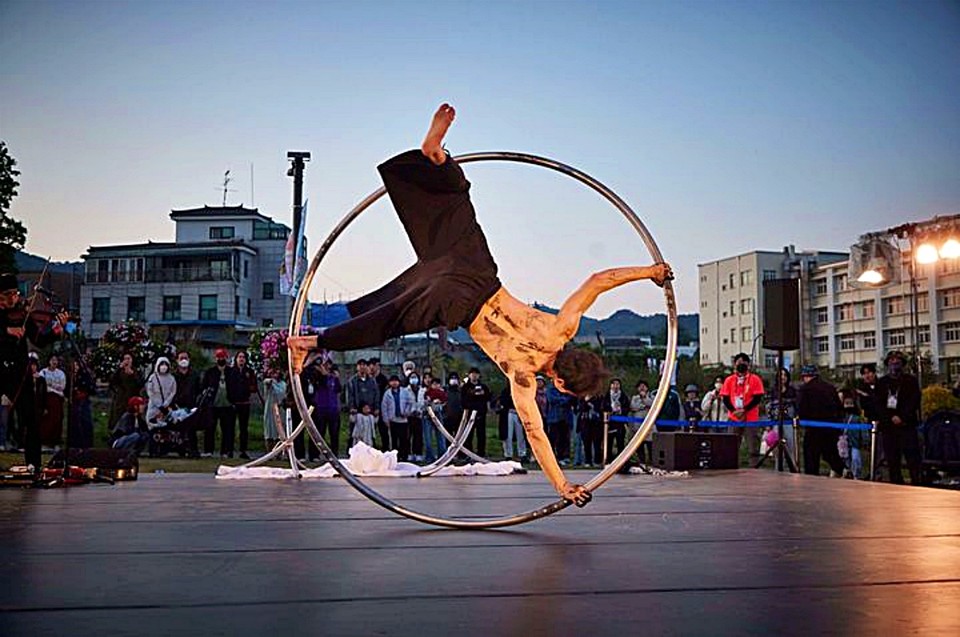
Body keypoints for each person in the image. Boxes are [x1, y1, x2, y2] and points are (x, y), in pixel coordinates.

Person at [288, 104, 672, 505]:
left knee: (456, 210)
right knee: (387, 320)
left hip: (475, 274)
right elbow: (535, 433)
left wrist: (649, 271)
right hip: (456, 306)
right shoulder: (522, 377)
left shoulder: (561, 329)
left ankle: (437, 159)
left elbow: (597, 282)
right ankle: (309, 344)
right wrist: (562, 486)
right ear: (560, 383)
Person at [876, 351, 922, 485]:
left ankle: (917, 485)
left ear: (902, 364)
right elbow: (878, 404)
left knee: (913, 460)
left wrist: (902, 416)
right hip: (889, 428)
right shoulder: (882, 383)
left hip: (907, 426)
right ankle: (896, 485)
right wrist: (889, 418)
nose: (894, 364)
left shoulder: (910, 381)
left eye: (897, 361)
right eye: (891, 361)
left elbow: (914, 401)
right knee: (892, 461)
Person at [796, 364, 846, 477]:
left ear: (805, 376)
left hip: (813, 429)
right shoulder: (830, 387)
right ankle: (843, 470)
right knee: (830, 453)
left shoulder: (805, 389)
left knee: (811, 458)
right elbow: (839, 408)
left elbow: (801, 409)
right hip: (831, 428)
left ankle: (811, 482)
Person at [720, 353, 765, 463]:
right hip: (734, 418)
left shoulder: (755, 379)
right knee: (731, 446)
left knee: (753, 446)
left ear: (748, 364)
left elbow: (757, 398)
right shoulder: (729, 380)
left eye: (744, 363)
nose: (741, 365)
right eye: (738, 363)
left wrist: (744, 410)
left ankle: (754, 469)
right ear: (735, 364)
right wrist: (734, 411)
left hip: (751, 418)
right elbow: (725, 398)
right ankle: (730, 467)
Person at [202, 348, 236, 459]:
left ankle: (225, 452)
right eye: (218, 357)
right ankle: (208, 451)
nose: (220, 359)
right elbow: (204, 387)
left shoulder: (232, 372)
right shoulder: (210, 372)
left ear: (226, 358)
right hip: (213, 405)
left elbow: (237, 386)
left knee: (227, 430)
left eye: (222, 357)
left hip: (227, 405)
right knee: (210, 428)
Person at [172, 350, 203, 455]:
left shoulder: (195, 375)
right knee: (179, 429)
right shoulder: (173, 375)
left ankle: (193, 450)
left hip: (191, 405)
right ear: (177, 360)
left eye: (185, 358)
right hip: (177, 406)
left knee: (192, 429)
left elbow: (199, 390)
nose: (183, 360)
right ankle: (180, 449)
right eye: (181, 358)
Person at [380, 374, 416, 460]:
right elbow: (384, 407)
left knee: (404, 439)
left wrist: (407, 412)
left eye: (396, 381)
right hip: (393, 420)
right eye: (392, 381)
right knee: (394, 439)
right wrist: (386, 419)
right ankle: (395, 457)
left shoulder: (405, 392)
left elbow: (411, 402)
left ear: (399, 382)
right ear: (389, 383)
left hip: (403, 420)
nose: (394, 383)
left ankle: (404, 456)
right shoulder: (387, 393)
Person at [231, 350, 258, 460]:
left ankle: (243, 450)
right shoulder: (231, 371)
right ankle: (229, 450)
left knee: (244, 428)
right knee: (231, 428)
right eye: (239, 357)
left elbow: (254, 386)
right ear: (236, 359)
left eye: (243, 357)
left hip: (245, 403)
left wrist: (248, 389)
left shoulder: (250, 372)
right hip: (233, 403)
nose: (241, 359)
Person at [461, 367, 493, 459]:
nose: (474, 375)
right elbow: (463, 400)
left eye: (476, 374)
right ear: (469, 375)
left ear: (479, 375)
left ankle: (481, 453)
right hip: (470, 413)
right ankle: (468, 453)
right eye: (472, 373)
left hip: (481, 414)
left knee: (481, 434)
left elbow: (488, 398)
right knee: (468, 434)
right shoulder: (465, 387)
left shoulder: (483, 387)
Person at [313, 359, 342, 457]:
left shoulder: (333, 378)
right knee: (320, 432)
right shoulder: (319, 377)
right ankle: (316, 454)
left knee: (334, 433)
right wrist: (323, 374)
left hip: (333, 409)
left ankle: (334, 454)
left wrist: (336, 377)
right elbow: (320, 384)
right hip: (321, 408)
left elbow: (339, 389)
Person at [67, 358, 96, 449]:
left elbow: (91, 388)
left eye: (76, 365)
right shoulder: (70, 377)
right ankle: (74, 443)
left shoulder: (84, 375)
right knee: (74, 423)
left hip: (83, 401)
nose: (75, 367)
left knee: (85, 422)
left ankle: (86, 444)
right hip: (74, 401)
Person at [108, 352, 144, 428]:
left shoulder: (136, 371)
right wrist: (118, 369)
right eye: (125, 359)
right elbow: (112, 381)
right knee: (119, 415)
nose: (127, 361)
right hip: (121, 398)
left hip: (132, 396)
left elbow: (140, 384)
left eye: (128, 359)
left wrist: (133, 374)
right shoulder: (119, 371)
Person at [38, 354, 66, 449]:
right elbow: (42, 385)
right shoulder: (44, 372)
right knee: (46, 419)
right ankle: (44, 441)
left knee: (57, 420)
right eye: (52, 360)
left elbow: (62, 386)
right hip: (46, 398)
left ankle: (55, 441)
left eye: (56, 360)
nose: (54, 362)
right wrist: (52, 386)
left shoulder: (61, 373)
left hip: (57, 398)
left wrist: (51, 385)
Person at [546, 378, 576, 465]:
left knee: (565, 438)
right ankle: (556, 457)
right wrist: (565, 399)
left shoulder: (566, 388)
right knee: (555, 439)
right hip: (554, 418)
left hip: (566, 418)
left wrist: (564, 399)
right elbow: (552, 399)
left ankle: (565, 457)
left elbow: (572, 398)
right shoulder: (550, 388)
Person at [421, 376, 449, 463]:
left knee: (441, 436)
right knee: (428, 438)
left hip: (438, 414)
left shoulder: (442, 393)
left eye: (437, 384)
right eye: (434, 384)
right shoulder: (427, 392)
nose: (436, 386)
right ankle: (429, 457)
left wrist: (440, 403)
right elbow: (425, 402)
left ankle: (442, 456)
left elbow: (445, 402)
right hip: (427, 414)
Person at [600, 378, 628, 462]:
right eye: (614, 384)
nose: (616, 386)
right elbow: (602, 407)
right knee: (609, 443)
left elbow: (627, 407)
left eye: (617, 384)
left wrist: (621, 410)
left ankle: (621, 460)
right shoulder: (606, 396)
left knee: (620, 442)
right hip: (609, 423)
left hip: (620, 423)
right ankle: (608, 459)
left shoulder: (623, 396)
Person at [145, 356, 177, 428]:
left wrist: (167, 402)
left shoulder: (172, 378)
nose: (164, 366)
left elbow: (173, 391)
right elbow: (149, 391)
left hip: (166, 407)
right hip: (154, 405)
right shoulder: (152, 377)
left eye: (166, 364)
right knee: (151, 424)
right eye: (162, 364)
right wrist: (157, 402)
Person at [628, 380, 654, 464]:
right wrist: (644, 405)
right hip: (638, 426)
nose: (642, 387)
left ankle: (652, 462)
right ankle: (642, 462)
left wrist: (644, 399)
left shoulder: (652, 396)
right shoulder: (634, 398)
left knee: (651, 446)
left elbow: (652, 404)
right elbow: (633, 407)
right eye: (640, 386)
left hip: (650, 426)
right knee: (639, 446)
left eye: (644, 386)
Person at [262, 375, 288, 448]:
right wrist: (271, 381)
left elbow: (283, 395)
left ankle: (279, 452)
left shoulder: (283, 384)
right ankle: (269, 451)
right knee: (269, 430)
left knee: (279, 430)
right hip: (270, 409)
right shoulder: (269, 382)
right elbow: (267, 382)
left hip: (280, 409)